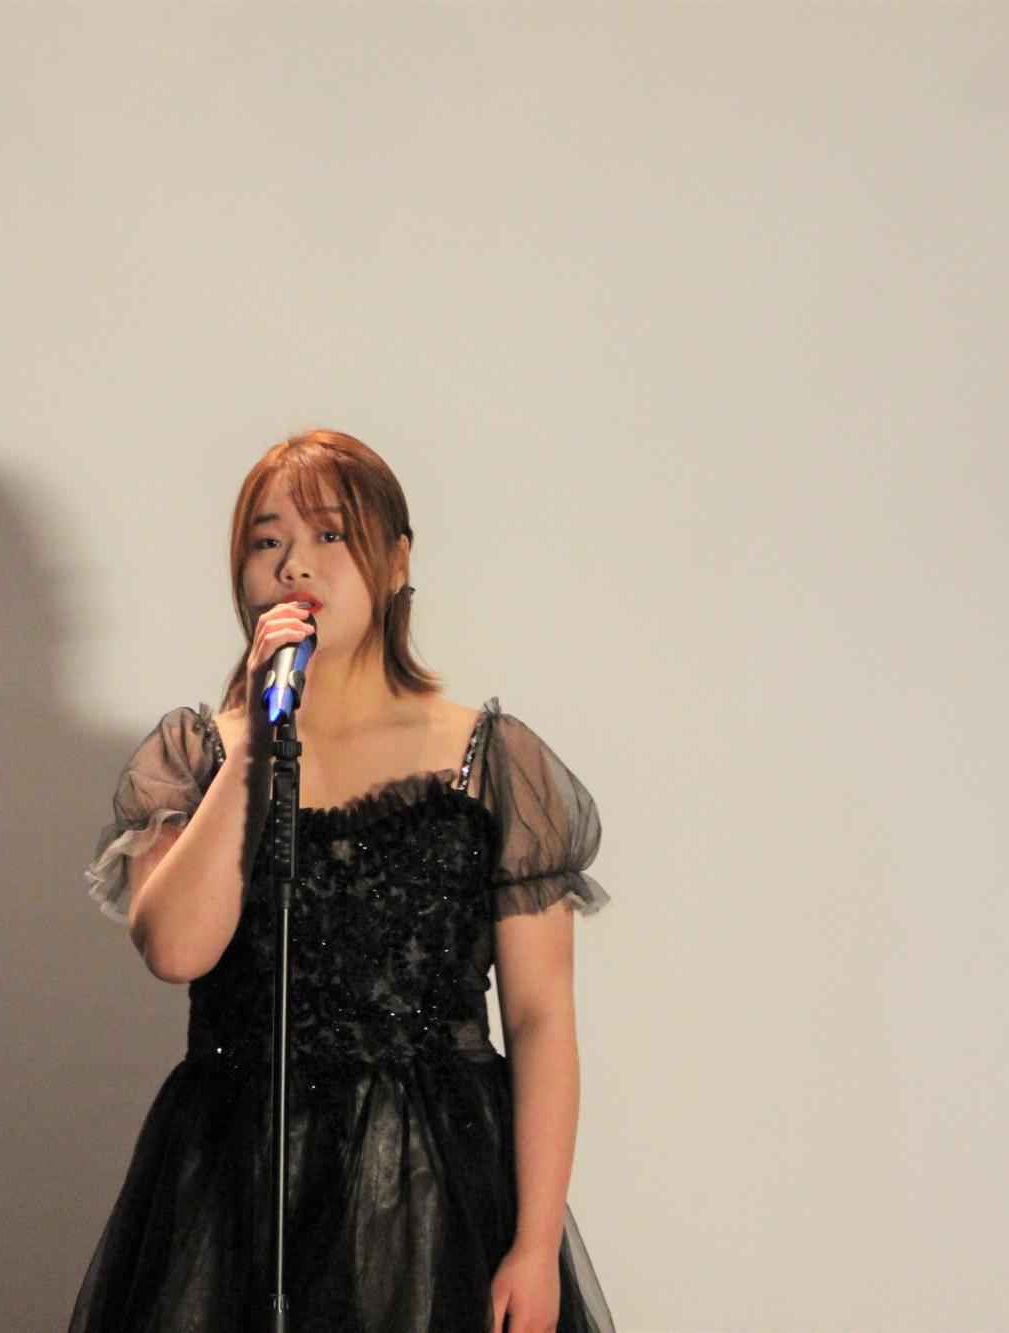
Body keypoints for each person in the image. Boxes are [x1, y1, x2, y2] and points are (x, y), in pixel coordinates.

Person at [69, 429, 614, 1333]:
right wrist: (258, 735)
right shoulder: (199, 754)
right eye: (267, 540)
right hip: (237, 1180)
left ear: (396, 561)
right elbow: (176, 948)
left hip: (434, 1184)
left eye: (330, 534)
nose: (296, 564)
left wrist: (534, 1241)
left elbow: (540, 1015)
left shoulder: (489, 759)